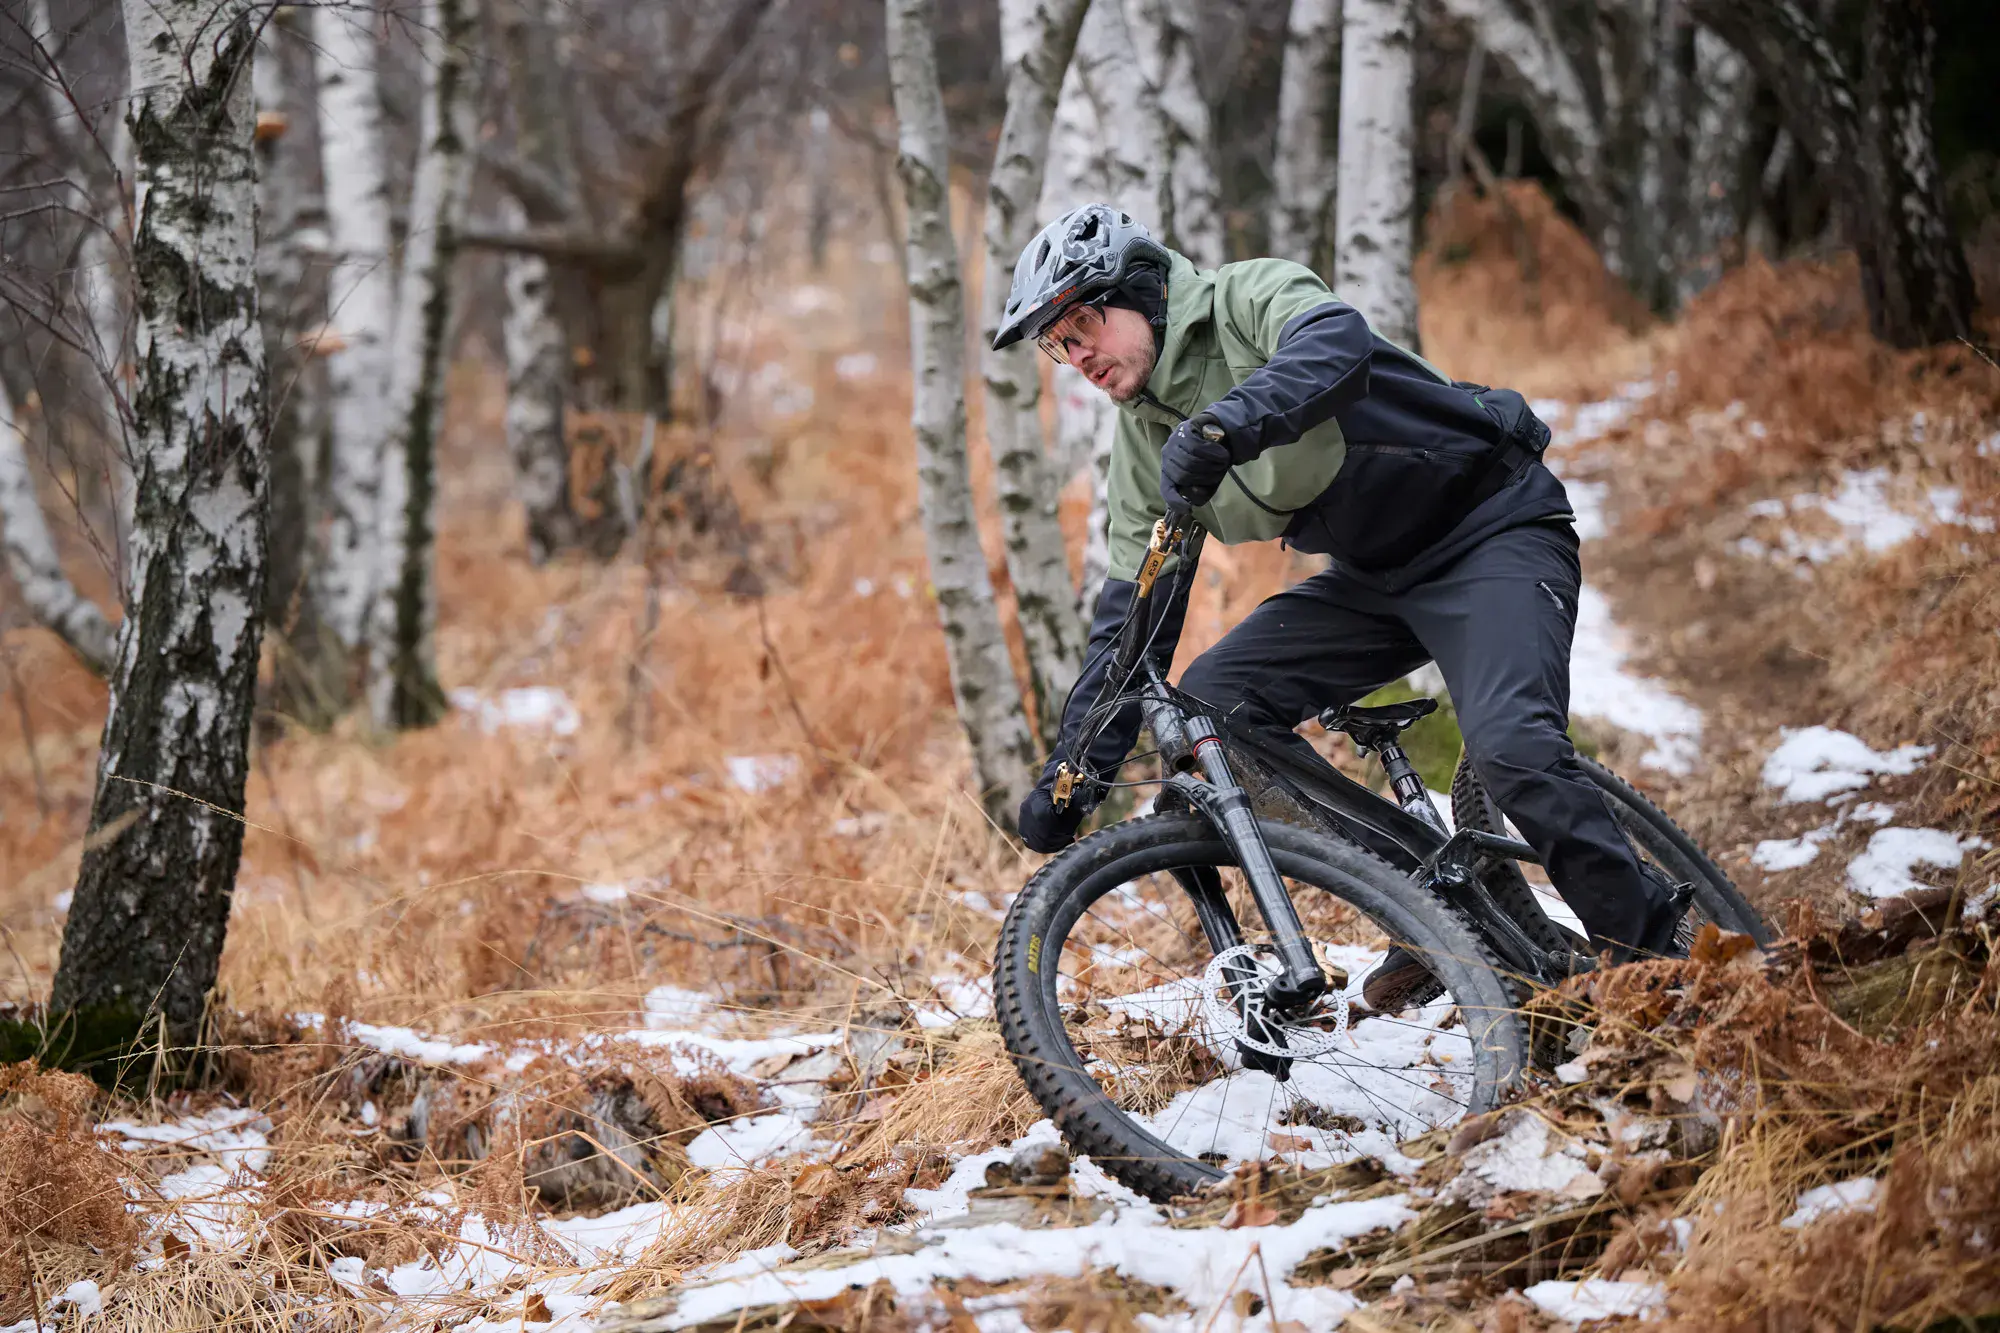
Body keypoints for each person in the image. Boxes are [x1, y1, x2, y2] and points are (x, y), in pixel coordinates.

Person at [991, 203, 1685, 1001]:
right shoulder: (1143, 445)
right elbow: (1131, 627)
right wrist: (1074, 775)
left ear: (1140, 289)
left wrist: (1224, 429)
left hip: (1492, 526)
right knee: (1215, 704)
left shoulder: (1244, 298)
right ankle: (1427, 905)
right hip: (1378, 578)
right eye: (1058, 343)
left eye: (1082, 323)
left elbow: (1337, 346)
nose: (1077, 354)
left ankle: (1662, 968)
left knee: (1513, 751)